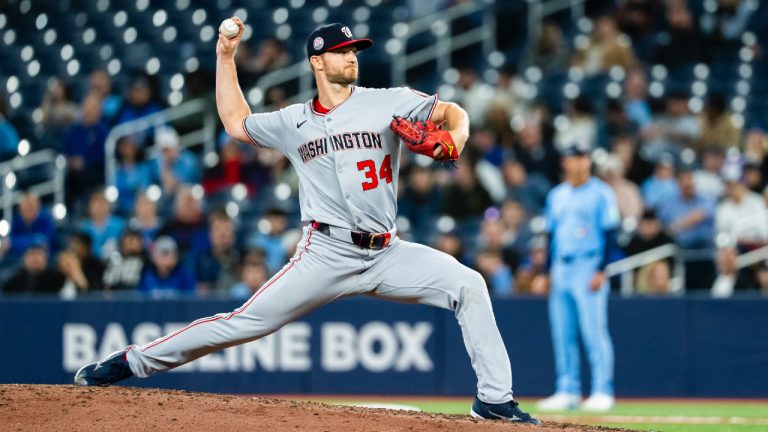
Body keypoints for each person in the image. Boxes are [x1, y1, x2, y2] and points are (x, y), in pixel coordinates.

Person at [74, 20, 539, 425]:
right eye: (342, 52)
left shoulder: (389, 100)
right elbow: (237, 122)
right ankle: (131, 363)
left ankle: (494, 401)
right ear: (318, 62)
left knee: (470, 285)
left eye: (354, 50)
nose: (352, 57)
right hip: (326, 252)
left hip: (388, 250)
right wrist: (226, 56)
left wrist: (453, 140)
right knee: (240, 322)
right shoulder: (293, 120)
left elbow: (452, 113)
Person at [536, 141, 620, 412]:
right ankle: (567, 389)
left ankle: (602, 390)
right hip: (562, 266)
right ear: (565, 162)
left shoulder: (601, 192)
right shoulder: (557, 195)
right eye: (575, 157)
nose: (580, 162)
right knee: (563, 332)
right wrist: (546, 273)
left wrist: (601, 270)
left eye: (583, 157)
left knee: (593, 330)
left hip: (588, 265)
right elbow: (550, 236)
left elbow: (610, 234)